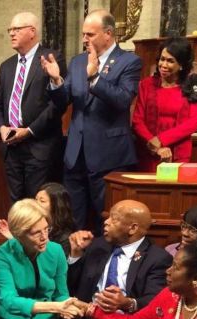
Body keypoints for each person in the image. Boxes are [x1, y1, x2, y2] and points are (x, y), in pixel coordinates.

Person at [41, 9, 141, 233]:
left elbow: (123, 100)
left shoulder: (129, 61)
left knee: (106, 218)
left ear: (108, 33)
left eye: (90, 34)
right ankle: (75, 262)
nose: (84, 39)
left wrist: (95, 77)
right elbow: (62, 101)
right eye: (84, 34)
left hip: (109, 154)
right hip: (76, 154)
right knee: (73, 219)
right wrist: (56, 80)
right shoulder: (78, 61)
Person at [0, 12, 65, 204]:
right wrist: (1, 128)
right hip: (11, 147)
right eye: (10, 29)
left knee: (39, 204)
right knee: (17, 205)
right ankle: (16, 236)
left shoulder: (51, 58)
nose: (11, 34)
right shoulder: (6, 66)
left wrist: (29, 131)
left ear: (32, 32)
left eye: (16, 29)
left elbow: (57, 105)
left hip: (39, 146)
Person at [132, 37, 197, 170]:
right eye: (162, 59)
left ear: (181, 65)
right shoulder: (146, 84)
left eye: (170, 61)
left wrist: (161, 140)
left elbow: (195, 121)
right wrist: (153, 143)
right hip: (148, 152)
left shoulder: (192, 87)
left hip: (178, 154)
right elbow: (137, 120)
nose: (163, 65)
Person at [0, 182, 81, 257]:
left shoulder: (66, 237)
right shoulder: (32, 225)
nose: (35, 203)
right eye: (36, 199)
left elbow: (54, 266)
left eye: (42, 201)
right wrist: (13, 238)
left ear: (56, 206)